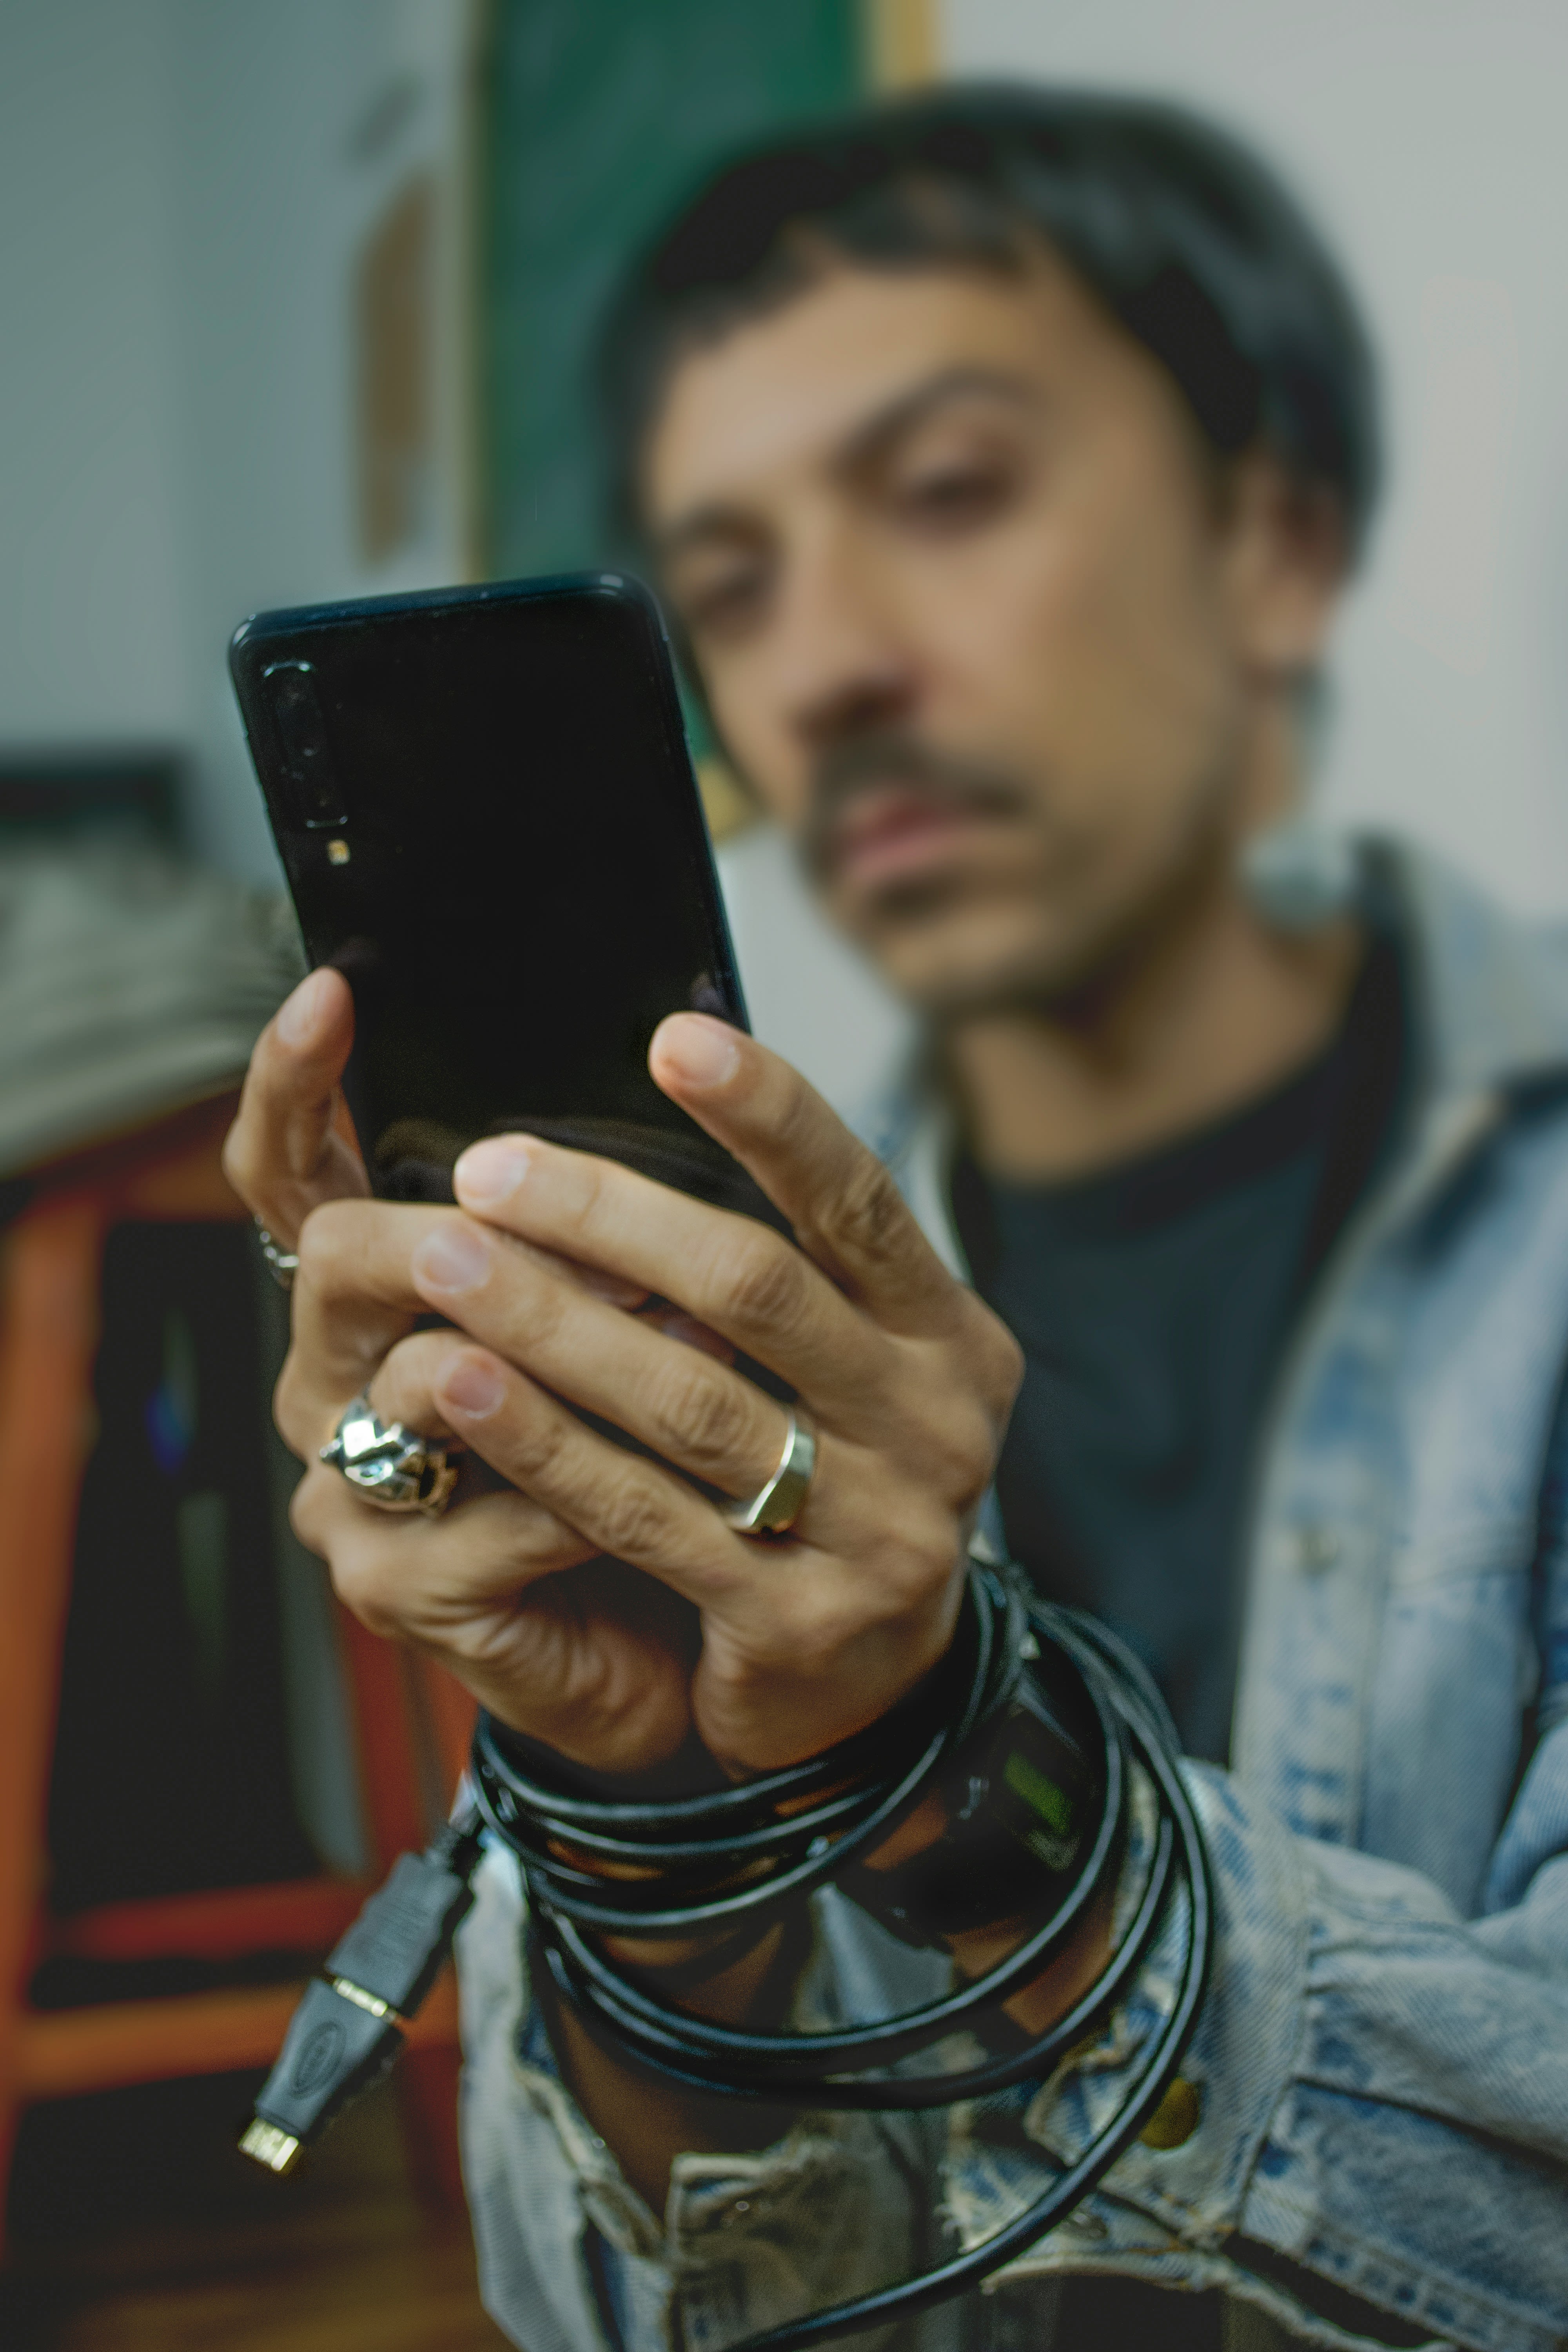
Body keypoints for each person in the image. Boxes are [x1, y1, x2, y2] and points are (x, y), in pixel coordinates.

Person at [223, 87, 1568, 2352]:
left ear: (1275, 536)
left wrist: (960, 1758)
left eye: (946, 495)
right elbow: (614, 2321)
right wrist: (636, 1821)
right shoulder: (730, 1300)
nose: (823, 667)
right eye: (728, 584)